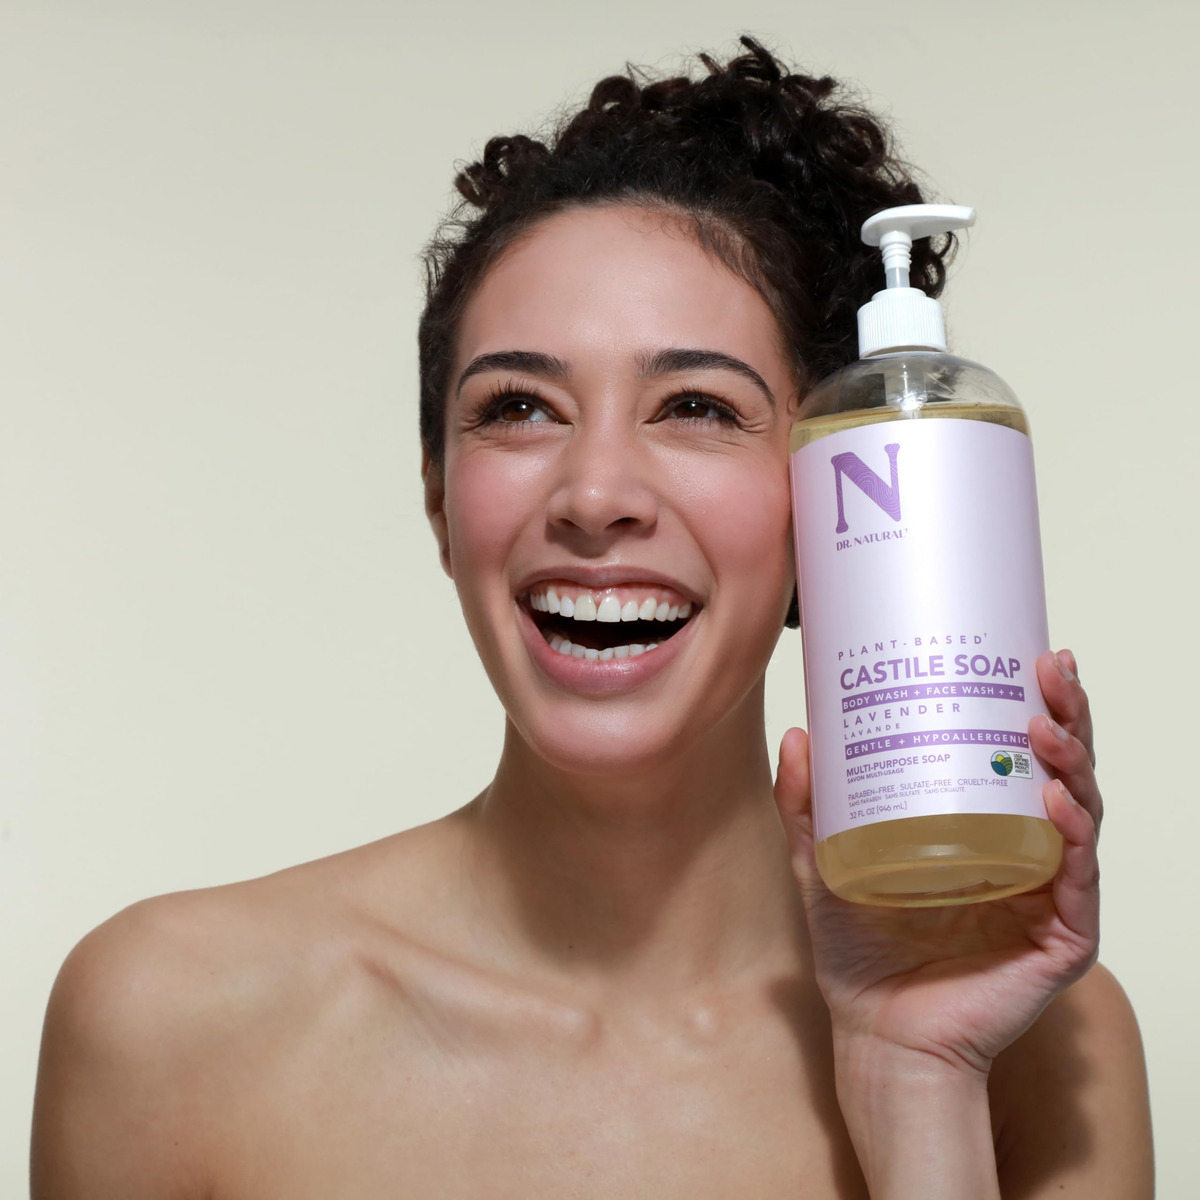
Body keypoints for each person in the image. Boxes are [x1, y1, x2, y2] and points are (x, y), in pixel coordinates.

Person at [31, 37, 1152, 1198]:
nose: (595, 493)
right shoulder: (170, 1023)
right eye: (520, 407)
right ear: (439, 497)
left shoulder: (1035, 1040)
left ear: (833, 501)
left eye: (696, 406)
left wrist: (917, 1084)